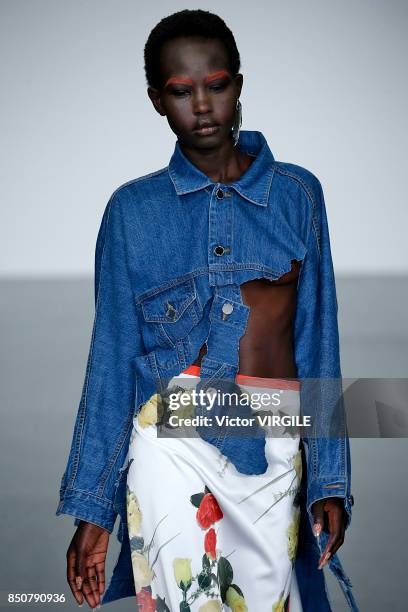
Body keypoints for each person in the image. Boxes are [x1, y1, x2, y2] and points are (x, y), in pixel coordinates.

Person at [56, 9, 358, 611]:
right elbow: (113, 362)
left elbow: (318, 341)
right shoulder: (132, 212)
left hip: (274, 444)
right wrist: (94, 510)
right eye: (180, 91)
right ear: (156, 100)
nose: (202, 106)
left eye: (216, 85)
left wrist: (330, 479)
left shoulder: (297, 196)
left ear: (239, 84)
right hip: (170, 441)